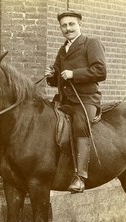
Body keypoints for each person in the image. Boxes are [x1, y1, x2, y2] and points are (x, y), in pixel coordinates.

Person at [45, 10, 107, 193]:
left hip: (86, 99)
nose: (68, 28)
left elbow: (101, 71)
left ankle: (80, 176)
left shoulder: (91, 44)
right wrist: (52, 75)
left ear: (80, 25)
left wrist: (74, 74)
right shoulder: (63, 49)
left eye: (71, 24)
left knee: (80, 124)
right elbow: (57, 75)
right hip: (65, 100)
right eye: (64, 25)